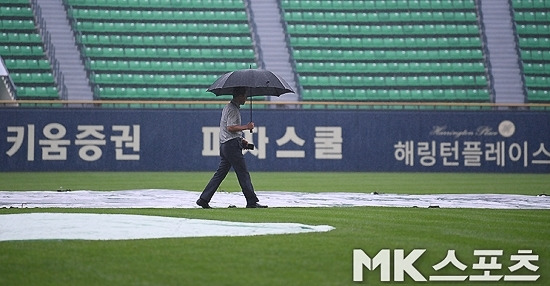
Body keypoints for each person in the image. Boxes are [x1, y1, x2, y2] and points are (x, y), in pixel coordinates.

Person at [196, 87, 267, 209]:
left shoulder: (228, 107)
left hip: (225, 145)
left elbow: (228, 129)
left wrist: (241, 139)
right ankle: (251, 201)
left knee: (220, 174)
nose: (246, 98)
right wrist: (246, 127)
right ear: (239, 96)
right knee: (243, 173)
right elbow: (230, 127)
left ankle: (204, 199)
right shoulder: (233, 110)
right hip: (231, 146)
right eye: (245, 96)